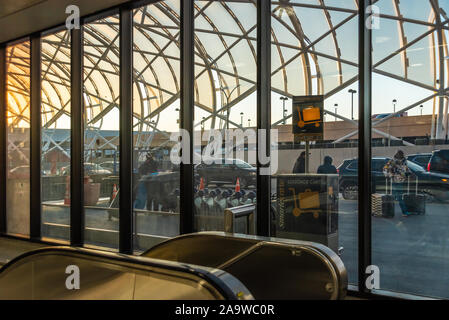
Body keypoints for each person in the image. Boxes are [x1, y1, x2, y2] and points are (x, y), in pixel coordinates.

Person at [383, 150, 411, 217]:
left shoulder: (404, 161)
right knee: (398, 197)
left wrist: (409, 174)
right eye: (399, 154)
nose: (400, 155)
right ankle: (403, 212)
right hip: (395, 181)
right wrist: (390, 175)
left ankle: (390, 212)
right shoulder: (393, 161)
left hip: (400, 181)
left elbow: (406, 169)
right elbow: (385, 169)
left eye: (401, 154)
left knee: (396, 197)